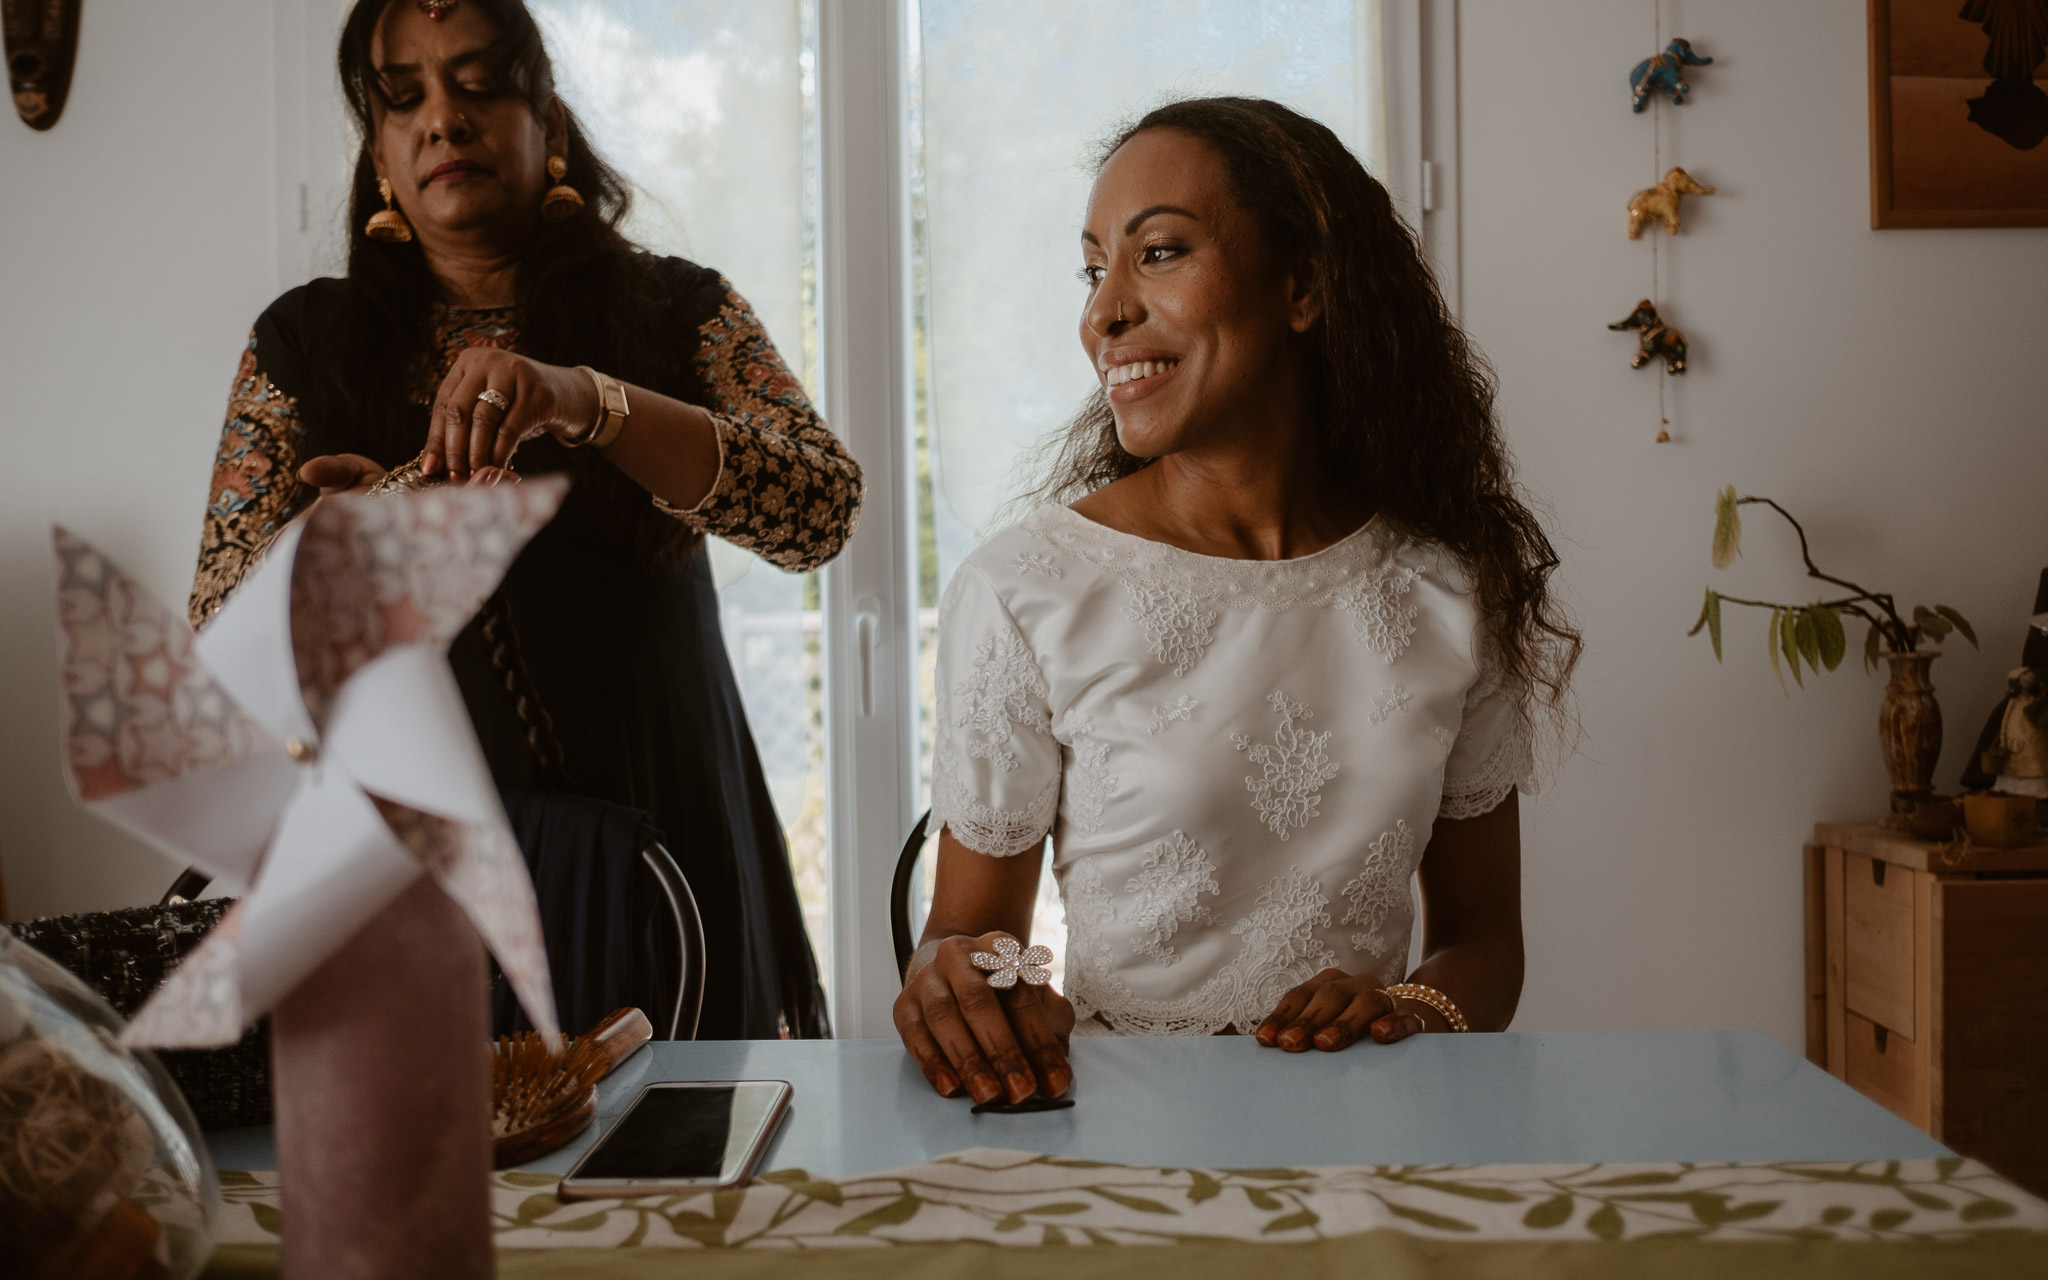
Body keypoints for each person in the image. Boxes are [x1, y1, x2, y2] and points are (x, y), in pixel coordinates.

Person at [188, 0, 861, 1039]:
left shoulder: (674, 311)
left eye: (477, 84)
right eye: (401, 96)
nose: (441, 123)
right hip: (402, 860)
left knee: (669, 1184)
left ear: (547, 118)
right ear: (377, 151)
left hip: (660, 841)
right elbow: (219, 646)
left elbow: (816, 509)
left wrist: (590, 400)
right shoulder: (303, 342)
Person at [894, 97, 1579, 1108]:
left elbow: (1482, 943)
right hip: (1125, 1140)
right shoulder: (1026, 587)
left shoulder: (1448, 588)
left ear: (1301, 285)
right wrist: (985, 985)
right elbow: (972, 937)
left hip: (1373, 1135)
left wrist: (1408, 1009)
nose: (1103, 312)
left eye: (1157, 252)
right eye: (1094, 270)